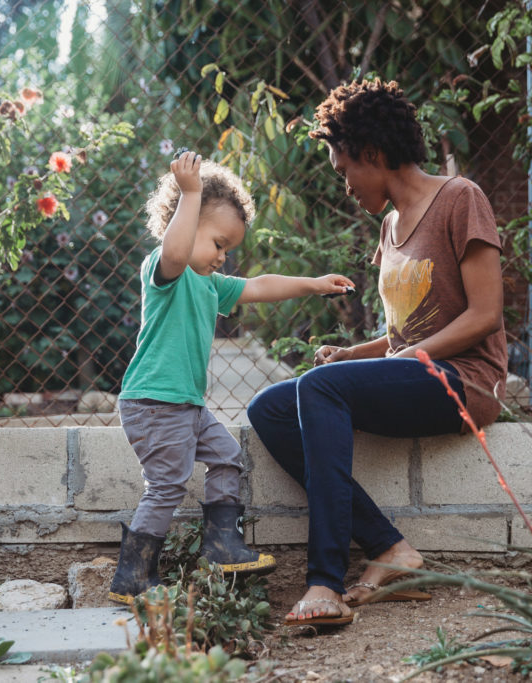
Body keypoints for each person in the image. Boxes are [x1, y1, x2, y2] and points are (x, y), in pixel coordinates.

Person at [247, 79, 508, 626]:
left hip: (466, 381)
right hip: (420, 370)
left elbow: (484, 315)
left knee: (317, 391)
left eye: (344, 170)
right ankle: (390, 548)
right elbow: (405, 335)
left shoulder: (461, 199)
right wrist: (353, 356)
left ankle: (323, 580)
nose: (344, 186)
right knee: (268, 407)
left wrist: (403, 360)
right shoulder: (390, 225)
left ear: (372, 154)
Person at [110, 150, 355, 605]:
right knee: (165, 487)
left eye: (229, 249)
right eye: (219, 243)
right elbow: (178, 249)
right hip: (154, 402)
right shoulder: (166, 271)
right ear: (183, 223)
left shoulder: (208, 283)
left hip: (186, 405)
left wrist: (314, 282)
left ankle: (222, 546)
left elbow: (261, 286)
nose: (223, 256)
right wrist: (190, 192)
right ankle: (134, 575)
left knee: (226, 456)